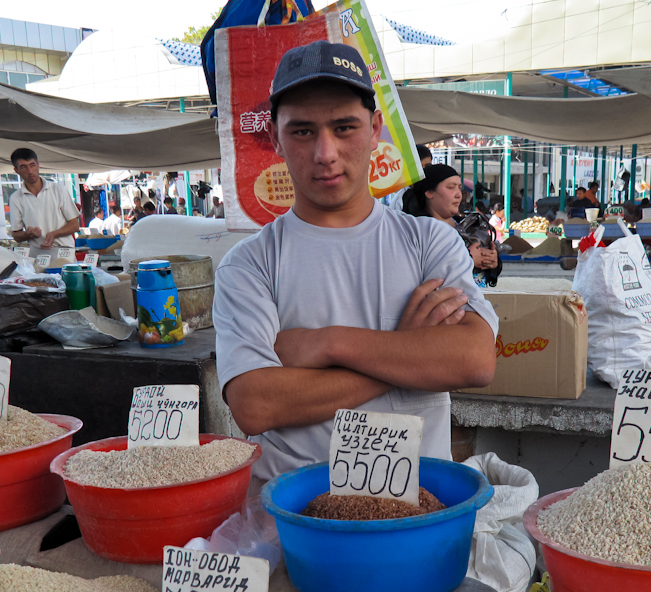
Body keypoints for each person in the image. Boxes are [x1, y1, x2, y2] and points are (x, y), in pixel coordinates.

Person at [213, 39, 498, 481]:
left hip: (419, 511)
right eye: (302, 131)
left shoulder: (430, 242)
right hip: (293, 517)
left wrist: (328, 343)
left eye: (344, 127)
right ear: (275, 137)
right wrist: (405, 354)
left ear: (375, 128)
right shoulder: (249, 264)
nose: (325, 153)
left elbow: (474, 359)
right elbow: (255, 403)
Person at [7, 149, 79, 251]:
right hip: (37, 252)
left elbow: (74, 225)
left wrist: (54, 234)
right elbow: (16, 235)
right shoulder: (16, 197)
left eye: (32, 165)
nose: (30, 171)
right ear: (16, 171)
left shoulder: (58, 189)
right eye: (24, 167)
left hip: (64, 250)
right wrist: (28, 234)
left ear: (38, 165)